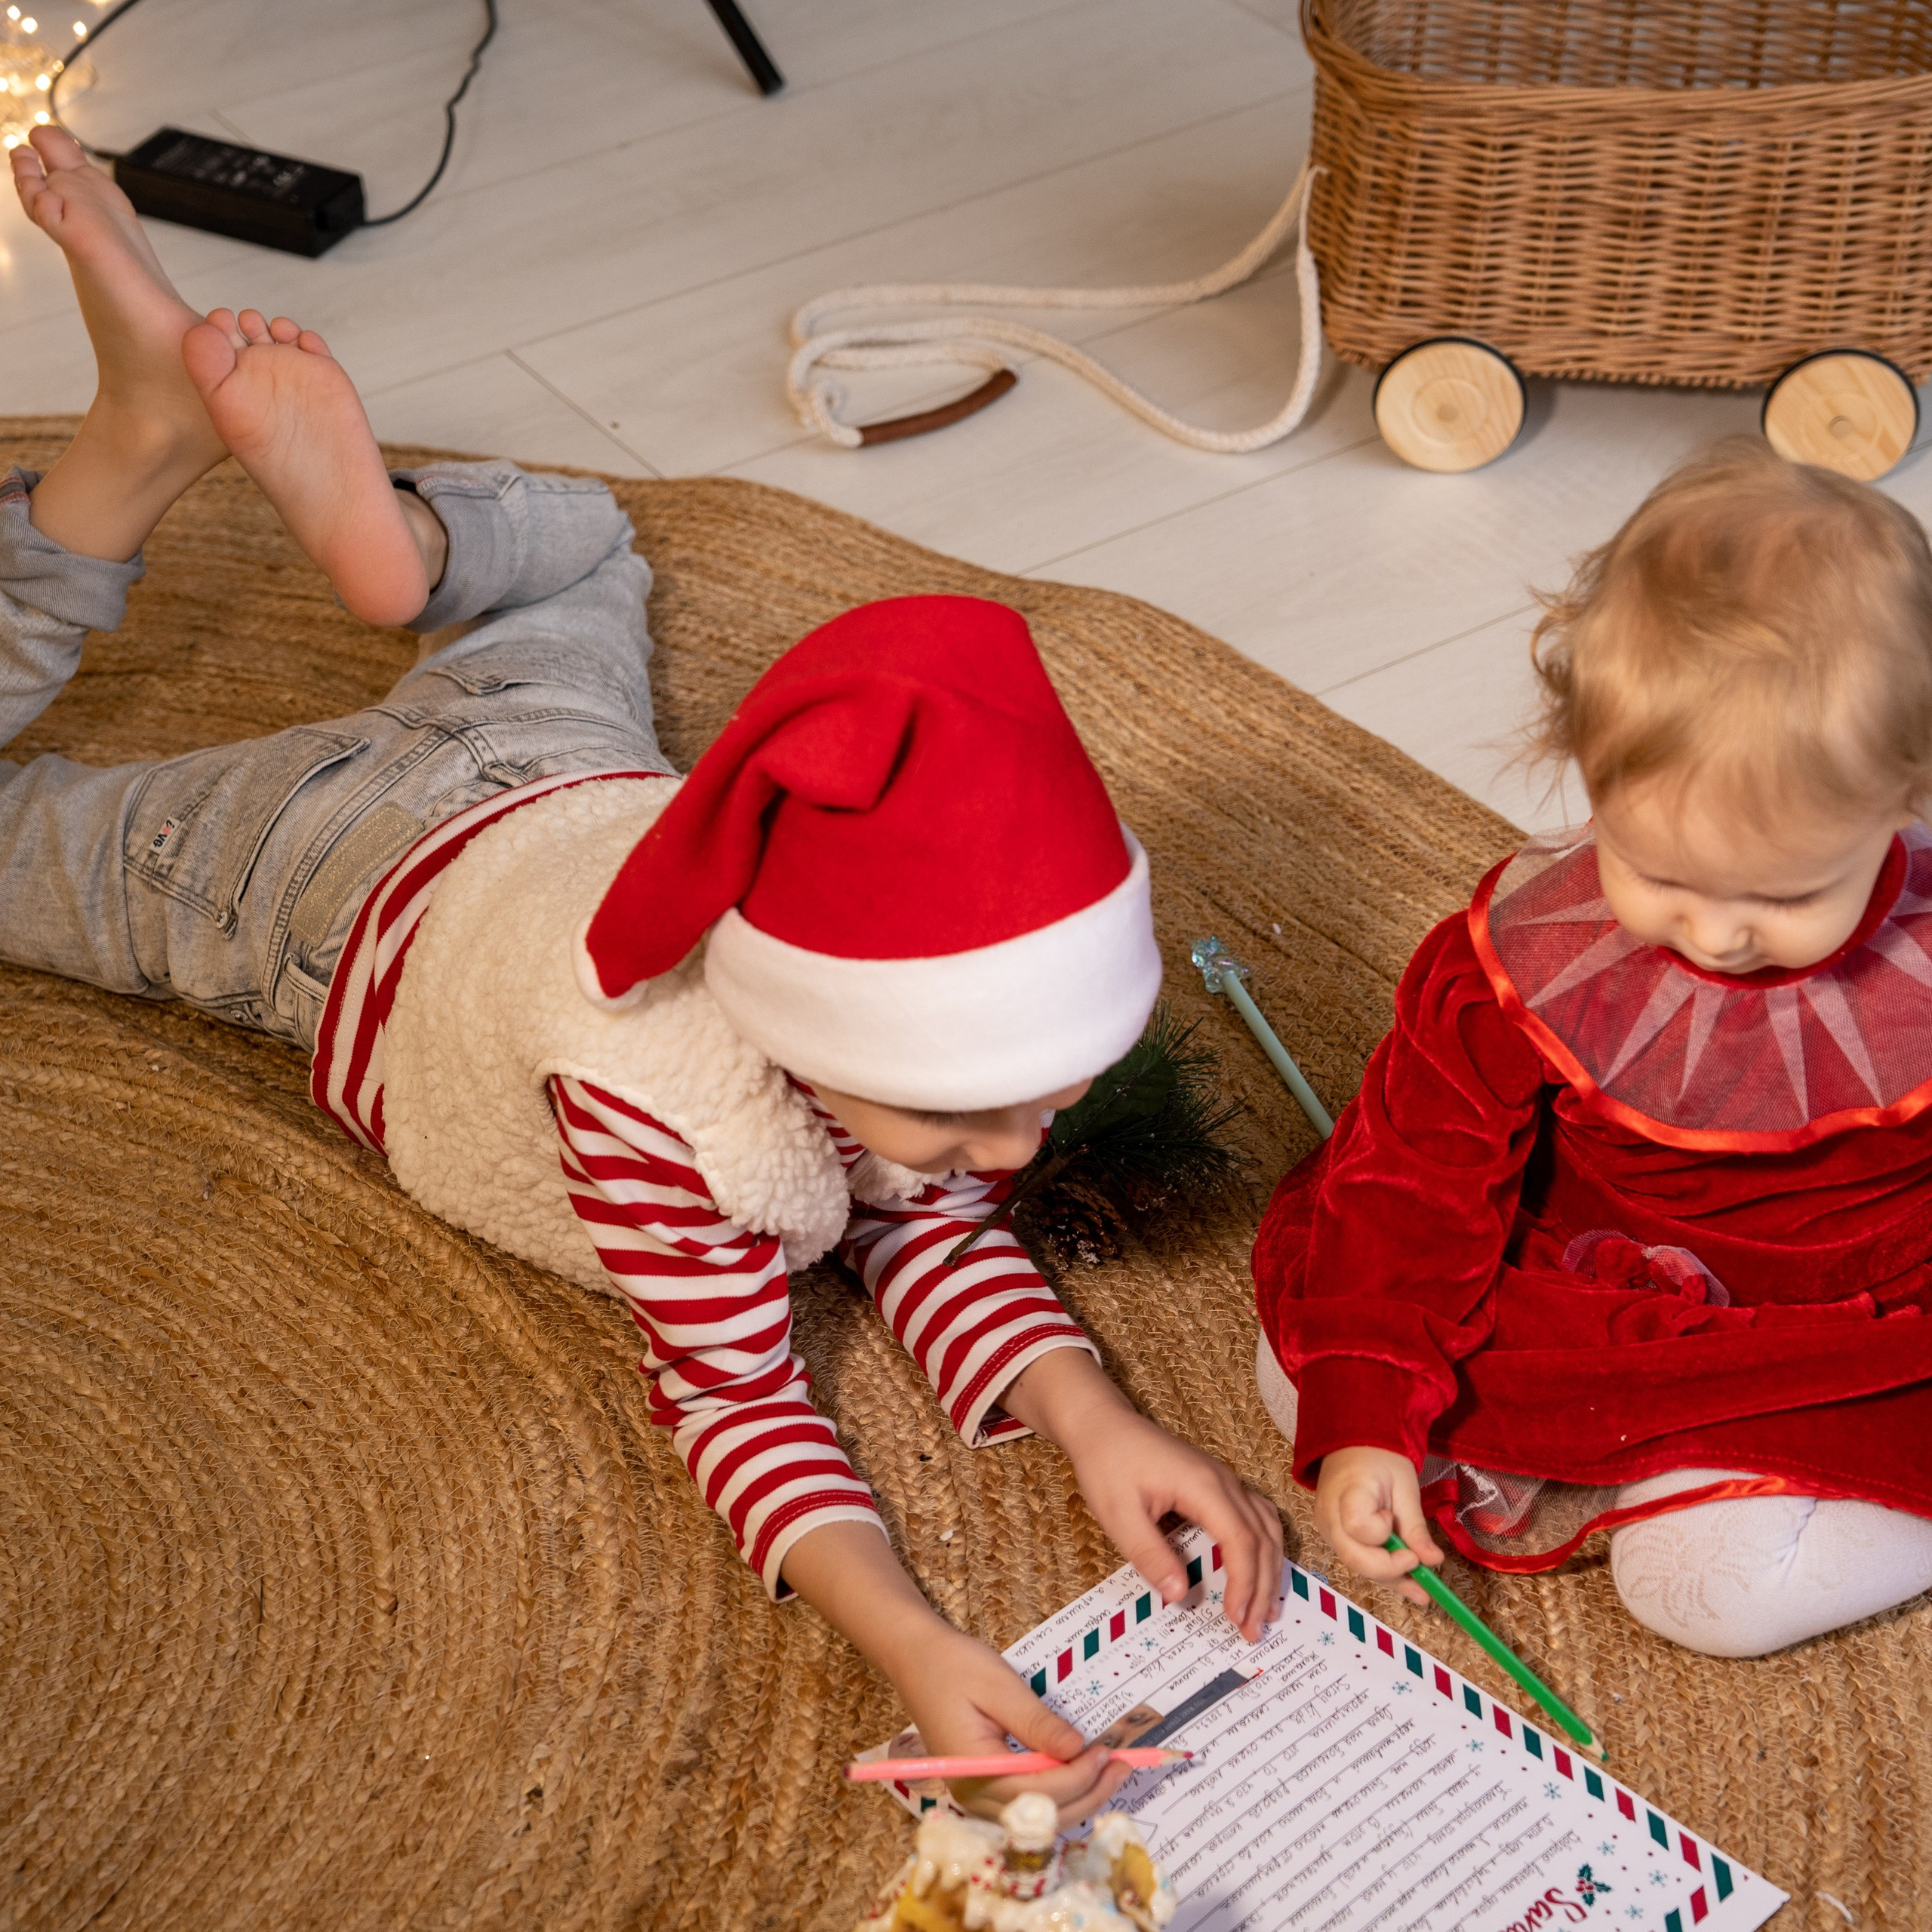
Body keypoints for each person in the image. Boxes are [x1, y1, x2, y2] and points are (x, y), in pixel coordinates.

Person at [4, 125, 1281, 1819]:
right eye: (962, 1114)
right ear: (811, 1031)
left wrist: (1094, 1418)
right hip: (319, 876)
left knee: (595, 540)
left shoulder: (876, 1024)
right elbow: (732, 1391)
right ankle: (124, 458)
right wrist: (905, 1635)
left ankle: (406, 547)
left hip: (558, 759)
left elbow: (922, 1223)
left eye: (1040, 1100)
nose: (1015, 1158)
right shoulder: (654, 1114)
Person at [1255, 437, 1932, 1660]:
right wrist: (1369, 1409)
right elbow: (1416, 1177)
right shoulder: (1523, 956)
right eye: (1660, 873)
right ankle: (1661, 1463)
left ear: (1903, 798)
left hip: (1834, 1331)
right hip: (1590, 1277)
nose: (1719, 936)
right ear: (1586, 774)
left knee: (1703, 1597)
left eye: (1787, 897)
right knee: (1307, 1374)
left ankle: (1721, 1483)